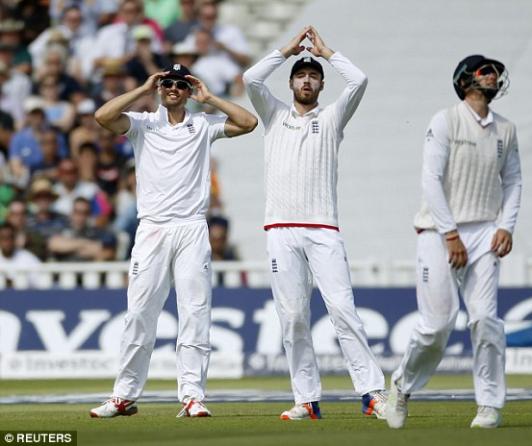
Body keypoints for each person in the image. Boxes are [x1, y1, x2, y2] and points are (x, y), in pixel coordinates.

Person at [89, 63, 257, 418]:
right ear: (161, 87)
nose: (173, 89)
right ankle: (124, 395)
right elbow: (103, 117)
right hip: (151, 228)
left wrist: (210, 98)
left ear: (188, 89)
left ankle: (193, 397)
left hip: (192, 227)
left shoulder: (202, 124)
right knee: (139, 312)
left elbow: (248, 122)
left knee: (195, 312)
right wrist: (142, 89)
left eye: (181, 84)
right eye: (168, 83)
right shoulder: (143, 123)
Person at [243, 26, 386, 421]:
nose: (307, 80)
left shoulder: (334, 116)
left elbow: (359, 79)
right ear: (291, 82)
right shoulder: (273, 113)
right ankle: (307, 399)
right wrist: (286, 50)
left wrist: (327, 53)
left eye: (313, 75)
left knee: (342, 309)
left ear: (321, 83)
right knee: (292, 317)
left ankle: (372, 393)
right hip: (280, 230)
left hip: (323, 229)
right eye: (301, 75)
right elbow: (250, 78)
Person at [384, 55, 522, 430]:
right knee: (437, 325)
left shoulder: (505, 130)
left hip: (484, 233)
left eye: (495, 72)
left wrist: (506, 225)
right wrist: (449, 234)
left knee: (485, 320)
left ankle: (489, 404)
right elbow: (431, 179)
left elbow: (512, 181)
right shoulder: (444, 120)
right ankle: (401, 386)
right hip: (437, 231)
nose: (493, 76)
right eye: (485, 71)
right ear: (465, 81)